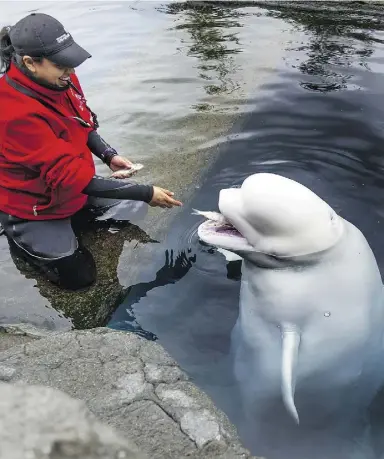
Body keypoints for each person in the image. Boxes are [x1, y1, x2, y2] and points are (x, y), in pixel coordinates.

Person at [0, 12, 182, 291]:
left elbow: (81, 124)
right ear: (29, 63)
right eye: (62, 64)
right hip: (34, 205)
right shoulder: (13, 113)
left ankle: (77, 217)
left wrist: (108, 155)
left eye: (71, 62)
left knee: (132, 210)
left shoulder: (60, 80)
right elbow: (77, 180)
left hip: (71, 189)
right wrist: (147, 193)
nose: (70, 72)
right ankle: (18, 235)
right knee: (79, 280)